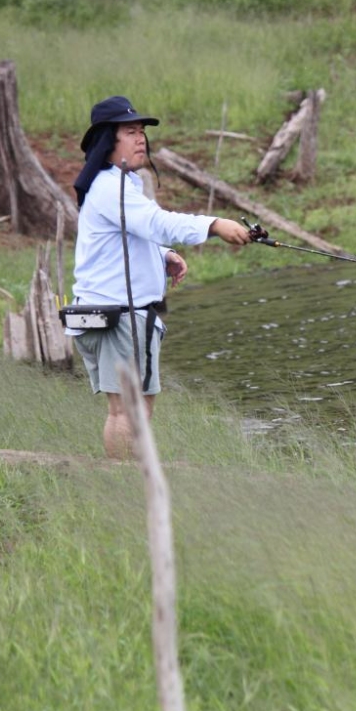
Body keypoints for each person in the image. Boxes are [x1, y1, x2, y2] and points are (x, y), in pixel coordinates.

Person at [67, 95, 251, 458]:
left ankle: (132, 484)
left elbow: (126, 237)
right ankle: (124, 488)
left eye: (142, 132)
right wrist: (214, 224)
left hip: (120, 314)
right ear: (108, 140)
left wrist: (162, 254)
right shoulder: (109, 187)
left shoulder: (120, 185)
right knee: (126, 410)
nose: (141, 139)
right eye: (130, 131)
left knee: (139, 407)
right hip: (116, 316)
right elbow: (155, 222)